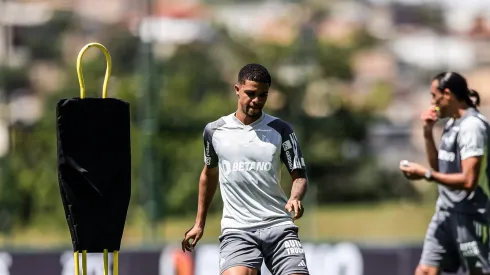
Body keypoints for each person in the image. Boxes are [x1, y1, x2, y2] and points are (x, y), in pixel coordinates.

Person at [181, 63, 309, 275]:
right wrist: (199, 223)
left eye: (263, 95)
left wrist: (295, 197)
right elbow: (209, 174)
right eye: (251, 93)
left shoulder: (281, 129)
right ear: (237, 89)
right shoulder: (215, 131)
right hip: (238, 230)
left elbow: (299, 176)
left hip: (279, 226)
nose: (256, 100)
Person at [399, 72, 490, 275]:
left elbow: (468, 181)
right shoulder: (451, 124)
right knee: (425, 271)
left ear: (447, 94)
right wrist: (427, 132)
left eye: (434, 95)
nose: (432, 102)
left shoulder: (472, 127)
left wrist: (425, 175)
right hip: (445, 212)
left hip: (472, 215)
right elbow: (439, 168)